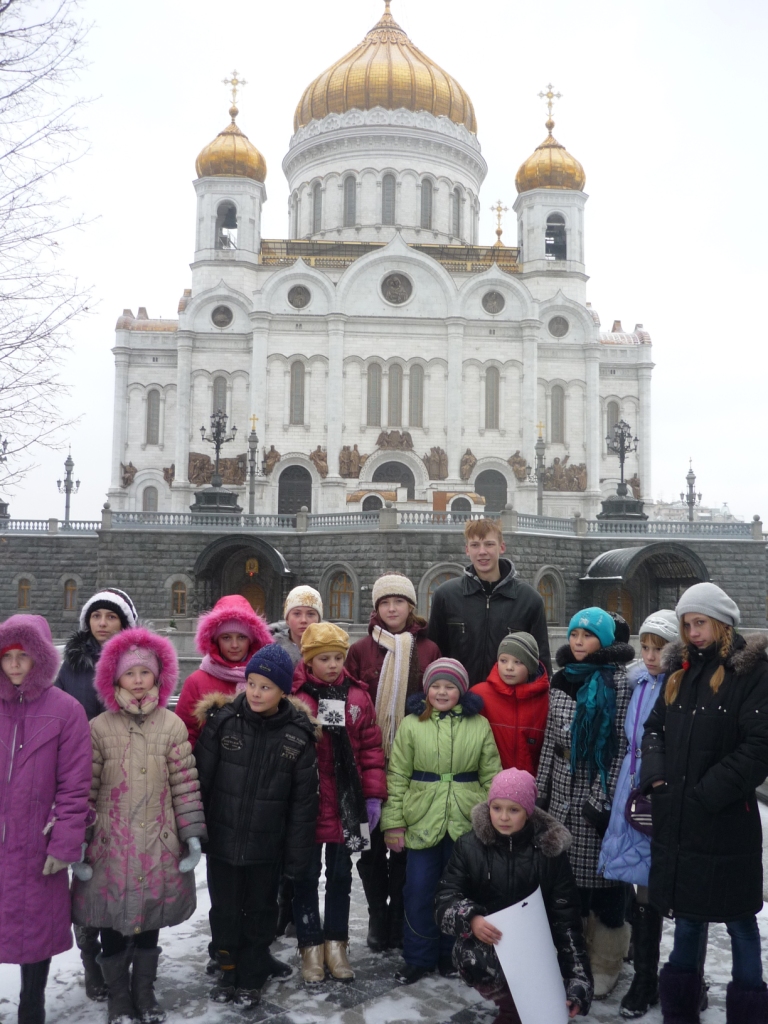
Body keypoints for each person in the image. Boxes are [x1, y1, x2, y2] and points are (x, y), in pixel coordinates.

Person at [640, 583, 768, 1024]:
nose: (694, 633)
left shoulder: (752, 672)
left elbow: (759, 748)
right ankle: (679, 1011)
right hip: (680, 818)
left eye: (701, 623)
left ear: (722, 624)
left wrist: (707, 793)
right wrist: (657, 778)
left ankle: (749, 1012)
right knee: (689, 920)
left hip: (726, 821)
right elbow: (654, 728)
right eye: (688, 624)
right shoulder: (680, 671)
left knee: (740, 924)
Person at [72, 627, 207, 1024]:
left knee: (151, 919)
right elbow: (86, 788)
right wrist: (79, 841)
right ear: (114, 679)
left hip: (159, 845)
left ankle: (143, 992)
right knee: (112, 921)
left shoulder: (172, 726)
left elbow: (185, 784)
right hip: (110, 848)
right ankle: (118, 997)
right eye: (129, 674)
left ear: (158, 677)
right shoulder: (99, 728)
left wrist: (191, 835)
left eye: (144, 673)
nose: (137, 681)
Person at [194, 644, 319, 1008]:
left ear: (283, 691)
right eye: (251, 683)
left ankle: (251, 975)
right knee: (225, 911)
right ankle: (228, 968)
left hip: (267, 848)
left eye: (266, 686)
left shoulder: (298, 736)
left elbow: (302, 804)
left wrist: (297, 857)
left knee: (260, 913)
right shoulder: (224, 722)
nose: (256, 692)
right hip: (223, 840)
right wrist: (196, 832)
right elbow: (201, 779)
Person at [435, 768, 593, 1022]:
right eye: (496, 808)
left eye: (513, 809)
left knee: (545, 1007)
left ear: (528, 812)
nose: (503, 817)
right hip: (488, 944)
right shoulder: (469, 846)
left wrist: (578, 979)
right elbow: (445, 898)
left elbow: (567, 920)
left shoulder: (549, 853)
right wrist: (471, 918)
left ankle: (524, 1007)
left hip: (537, 949)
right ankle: (510, 1008)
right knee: (477, 962)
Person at [381, 657, 502, 985]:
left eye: (450, 686)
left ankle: (453, 954)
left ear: (461, 691)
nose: (442, 692)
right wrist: (393, 823)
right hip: (422, 818)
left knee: (460, 893)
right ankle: (418, 956)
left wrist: (492, 822)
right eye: (436, 685)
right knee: (418, 889)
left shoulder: (479, 725)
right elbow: (397, 775)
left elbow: (492, 774)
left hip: (465, 821)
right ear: (427, 689)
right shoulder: (412, 724)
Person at [536, 607, 635, 999]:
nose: (577, 641)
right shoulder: (561, 679)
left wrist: (603, 798)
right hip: (561, 788)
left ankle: (606, 962)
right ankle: (572, 957)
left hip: (597, 791)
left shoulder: (618, 683)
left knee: (606, 883)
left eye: (587, 635)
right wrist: (540, 791)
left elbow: (621, 749)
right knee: (566, 883)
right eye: (574, 634)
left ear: (604, 641)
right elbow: (549, 739)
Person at [0, 615, 92, 1024]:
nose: (16, 665)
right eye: (7, 657)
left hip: (37, 846)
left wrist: (64, 842)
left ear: (40, 658)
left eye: (24, 656)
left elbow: (75, 786)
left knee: (32, 934)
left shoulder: (66, 710)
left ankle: (31, 1006)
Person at [346, 572, 441, 952]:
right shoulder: (361, 651)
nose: (391, 608)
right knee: (368, 849)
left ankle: (400, 914)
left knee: (405, 846)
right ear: (376, 608)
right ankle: (377, 915)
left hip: (413, 765)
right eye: (385, 602)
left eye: (398, 601)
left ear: (411, 606)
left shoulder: (429, 649)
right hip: (367, 763)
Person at [291, 622, 387, 984]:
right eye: (324, 659)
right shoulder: (297, 697)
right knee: (304, 877)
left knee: (342, 876)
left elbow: (371, 751)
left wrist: (373, 796)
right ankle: (310, 945)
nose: (332, 665)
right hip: (308, 804)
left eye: (338, 658)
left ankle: (337, 943)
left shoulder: (358, 697)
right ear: (309, 660)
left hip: (347, 804)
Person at [55, 586, 139, 1001]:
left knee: (124, 872)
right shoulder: (72, 665)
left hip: (127, 780)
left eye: (112, 616)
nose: (103, 623)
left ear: (125, 622)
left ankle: (124, 962)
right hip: (80, 781)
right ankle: (92, 962)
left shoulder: (139, 662)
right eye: (97, 616)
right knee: (86, 875)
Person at [597, 609, 678, 1019]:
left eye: (658, 648)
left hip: (654, 795)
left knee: (649, 891)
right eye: (645, 647)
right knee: (628, 879)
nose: (649, 655)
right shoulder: (637, 682)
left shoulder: (677, 687)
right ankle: (634, 958)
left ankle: (647, 977)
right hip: (626, 792)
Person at [427, 518, 551, 685]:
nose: (482, 551)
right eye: (475, 545)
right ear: (467, 550)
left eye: (489, 544)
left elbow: (541, 663)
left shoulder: (529, 600)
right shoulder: (445, 596)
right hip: (459, 701)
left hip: (508, 702)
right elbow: (433, 655)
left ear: (502, 547)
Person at [175, 594, 273, 746]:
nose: (234, 645)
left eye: (241, 637)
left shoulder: (266, 677)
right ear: (215, 640)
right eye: (226, 637)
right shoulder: (196, 682)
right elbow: (184, 734)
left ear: (252, 639)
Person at [470, 632, 550, 774]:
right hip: (490, 785)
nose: (509, 667)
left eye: (518, 662)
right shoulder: (479, 695)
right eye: (503, 660)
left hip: (531, 786)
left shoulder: (547, 700)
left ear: (531, 665)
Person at [269, 585, 323, 667]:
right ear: (287, 619)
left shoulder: (331, 649)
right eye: (297, 614)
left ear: (319, 619)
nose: (303, 620)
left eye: (310, 614)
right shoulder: (271, 650)